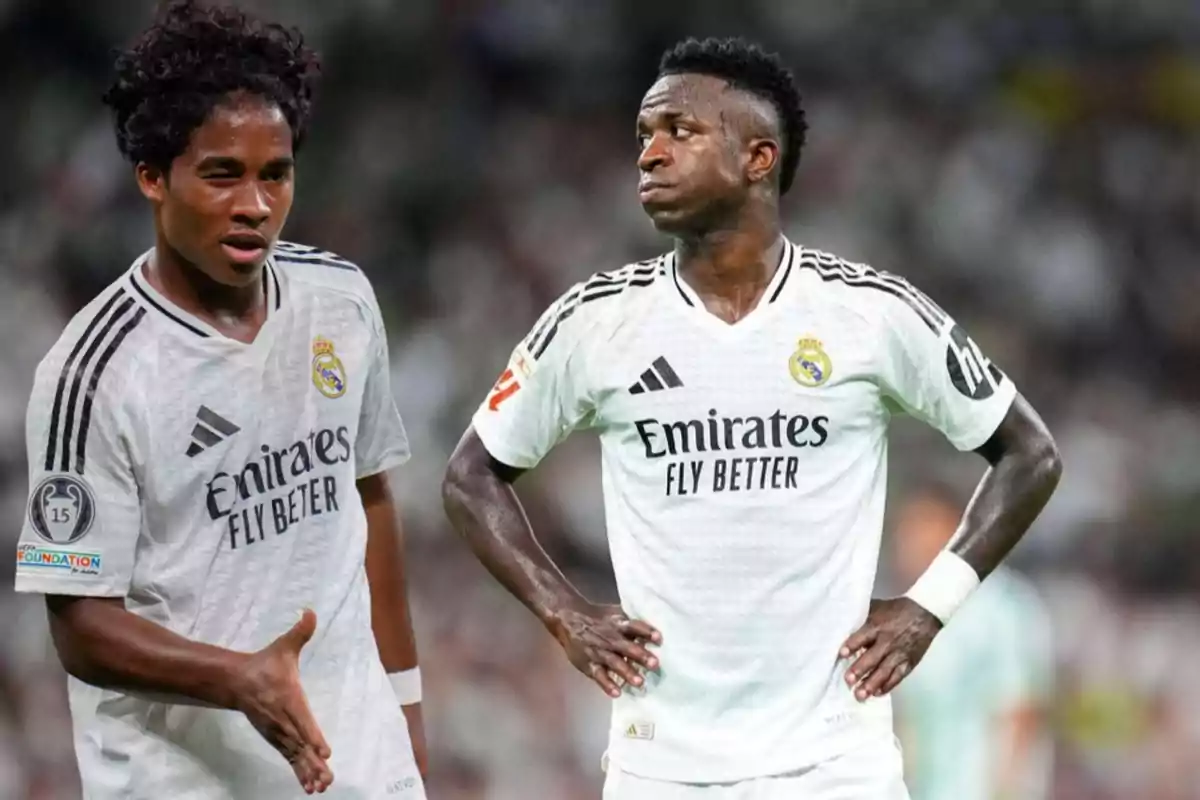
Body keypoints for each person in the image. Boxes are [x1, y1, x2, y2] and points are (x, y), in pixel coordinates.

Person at [442, 36, 1063, 799]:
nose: (651, 153)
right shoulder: (594, 322)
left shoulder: (868, 313)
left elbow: (1029, 454)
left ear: (758, 159)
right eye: (644, 135)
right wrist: (564, 613)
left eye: (680, 130)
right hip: (661, 768)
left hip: (836, 766)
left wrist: (927, 610)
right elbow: (471, 476)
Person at [13, 2, 426, 797]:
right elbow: (78, 623)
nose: (255, 206)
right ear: (151, 176)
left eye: (276, 175)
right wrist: (237, 677)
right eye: (222, 175)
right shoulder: (91, 374)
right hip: (187, 778)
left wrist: (404, 708)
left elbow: (371, 499)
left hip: (362, 766)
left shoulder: (340, 300)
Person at [891, 483, 1055, 800]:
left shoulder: (1003, 605)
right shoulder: (914, 615)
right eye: (905, 531)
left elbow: (1020, 711)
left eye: (922, 527)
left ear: (957, 528)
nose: (909, 543)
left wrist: (1005, 791)